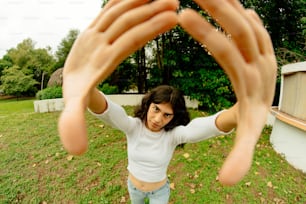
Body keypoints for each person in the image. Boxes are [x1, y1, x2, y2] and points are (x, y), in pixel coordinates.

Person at [58, 0, 277, 203]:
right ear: (148, 105)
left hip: (159, 193)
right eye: (156, 109)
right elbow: (107, 110)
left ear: (174, 117)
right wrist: (86, 91)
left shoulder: (173, 136)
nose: (157, 119)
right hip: (133, 189)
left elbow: (209, 125)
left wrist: (241, 111)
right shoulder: (133, 127)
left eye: (167, 115)